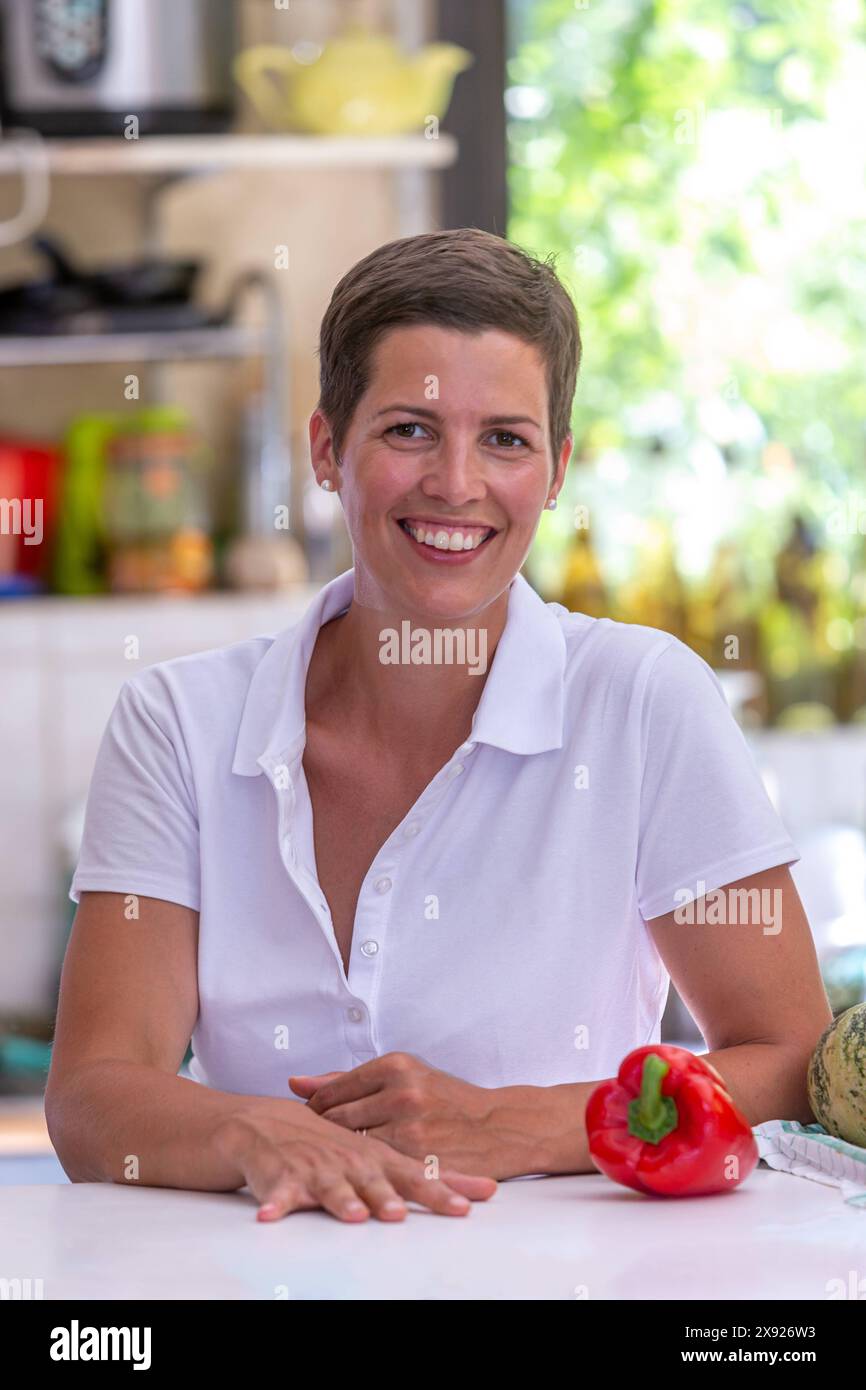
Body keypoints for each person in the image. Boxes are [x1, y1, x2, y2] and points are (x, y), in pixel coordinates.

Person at [46, 228, 832, 1224]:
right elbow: (88, 1099)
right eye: (409, 429)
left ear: (555, 470)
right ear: (327, 448)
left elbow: (789, 1062)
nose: (456, 483)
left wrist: (531, 1121)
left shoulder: (640, 700)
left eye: (504, 437)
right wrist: (250, 1133)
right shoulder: (177, 724)